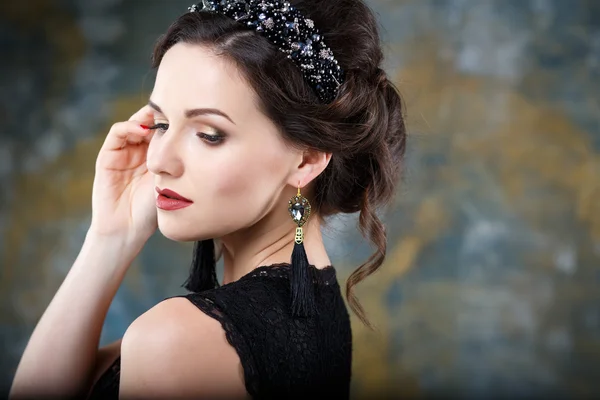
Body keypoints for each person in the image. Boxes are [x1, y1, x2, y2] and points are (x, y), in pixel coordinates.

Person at [9, 0, 406, 398]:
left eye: (209, 134)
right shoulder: (313, 311)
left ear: (306, 159)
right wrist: (112, 236)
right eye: (161, 123)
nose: (158, 160)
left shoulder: (178, 342)